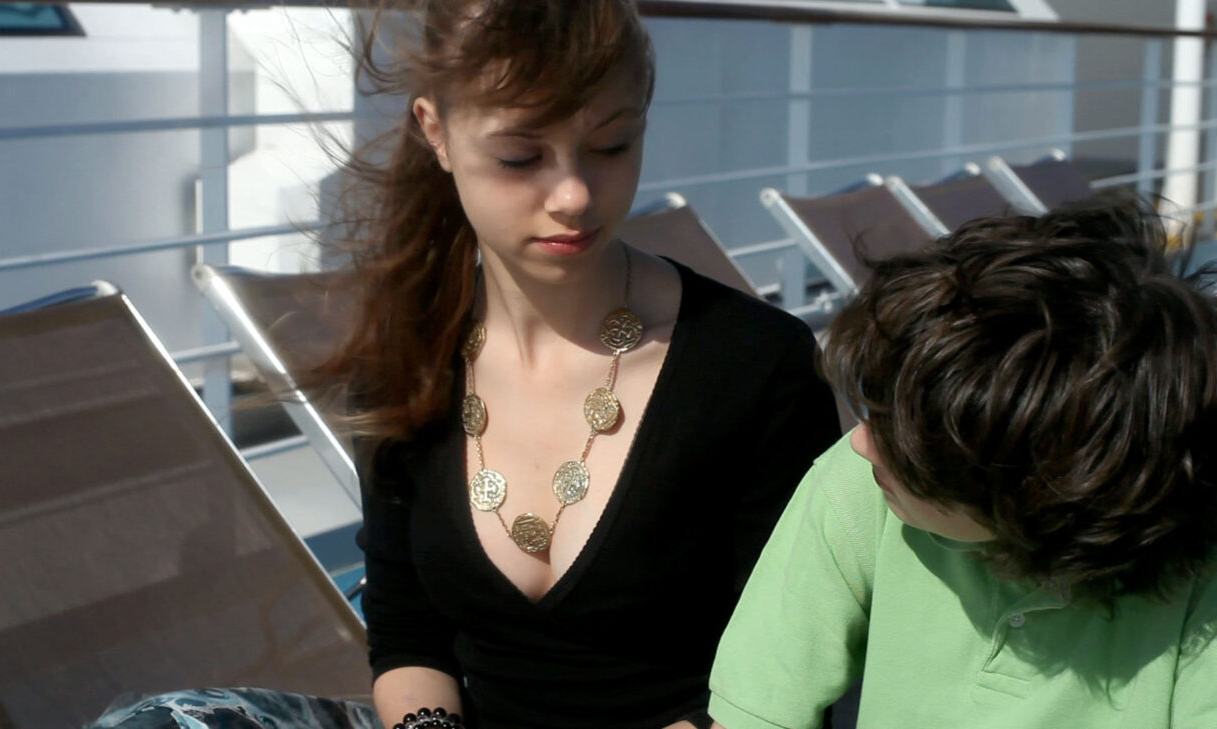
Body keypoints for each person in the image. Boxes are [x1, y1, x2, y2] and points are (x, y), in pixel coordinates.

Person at [90, 2, 838, 728]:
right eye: (521, 156)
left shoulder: (753, 364)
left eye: (612, 145)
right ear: (436, 131)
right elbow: (408, 632)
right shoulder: (409, 354)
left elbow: (787, 668)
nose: (574, 194)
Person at [707, 203, 1217, 729]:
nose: (861, 442)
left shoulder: (1203, 573)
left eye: (910, 444)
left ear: (1042, 492)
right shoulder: (865, 486)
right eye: (876, 406)